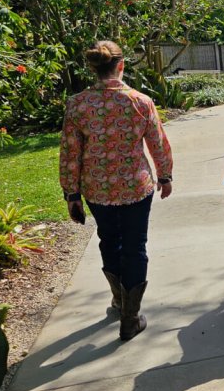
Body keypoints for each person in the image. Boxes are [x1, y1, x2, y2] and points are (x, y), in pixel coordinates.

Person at [59, 41, 173, 341]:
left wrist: (71, 194)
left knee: (109, 240)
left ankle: (120, 301)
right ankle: (130, 318)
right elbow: (158, 143)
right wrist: (165, 176)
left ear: (94, 68)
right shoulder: (140, 101)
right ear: (121, 66)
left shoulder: (78, 104)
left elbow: (70, 153)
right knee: (135, 246)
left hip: (97, 189)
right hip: (136, 185)